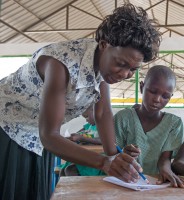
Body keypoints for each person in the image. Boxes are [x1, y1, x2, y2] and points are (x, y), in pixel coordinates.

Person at [0, 3, 161, 200]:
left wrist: (116, 157)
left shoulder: (103, 68)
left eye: (133, 70)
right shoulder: (60, 64)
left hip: (36, 136)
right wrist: (105, 163)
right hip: (7, 127)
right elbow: (50, 135)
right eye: (121, 64)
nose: (124, 74)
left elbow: (103, 114)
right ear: (104, 45)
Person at [114, 65, 184, 188]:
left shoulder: (174, 123)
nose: (157, 99)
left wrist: (166, 169)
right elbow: (113, 155)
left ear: (170, 97)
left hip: (156, 182)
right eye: (152, 91)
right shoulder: (123, 118)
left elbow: (165, 159)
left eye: (165, 96)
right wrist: (123, 154)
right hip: (125, 181)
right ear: (142, 87)